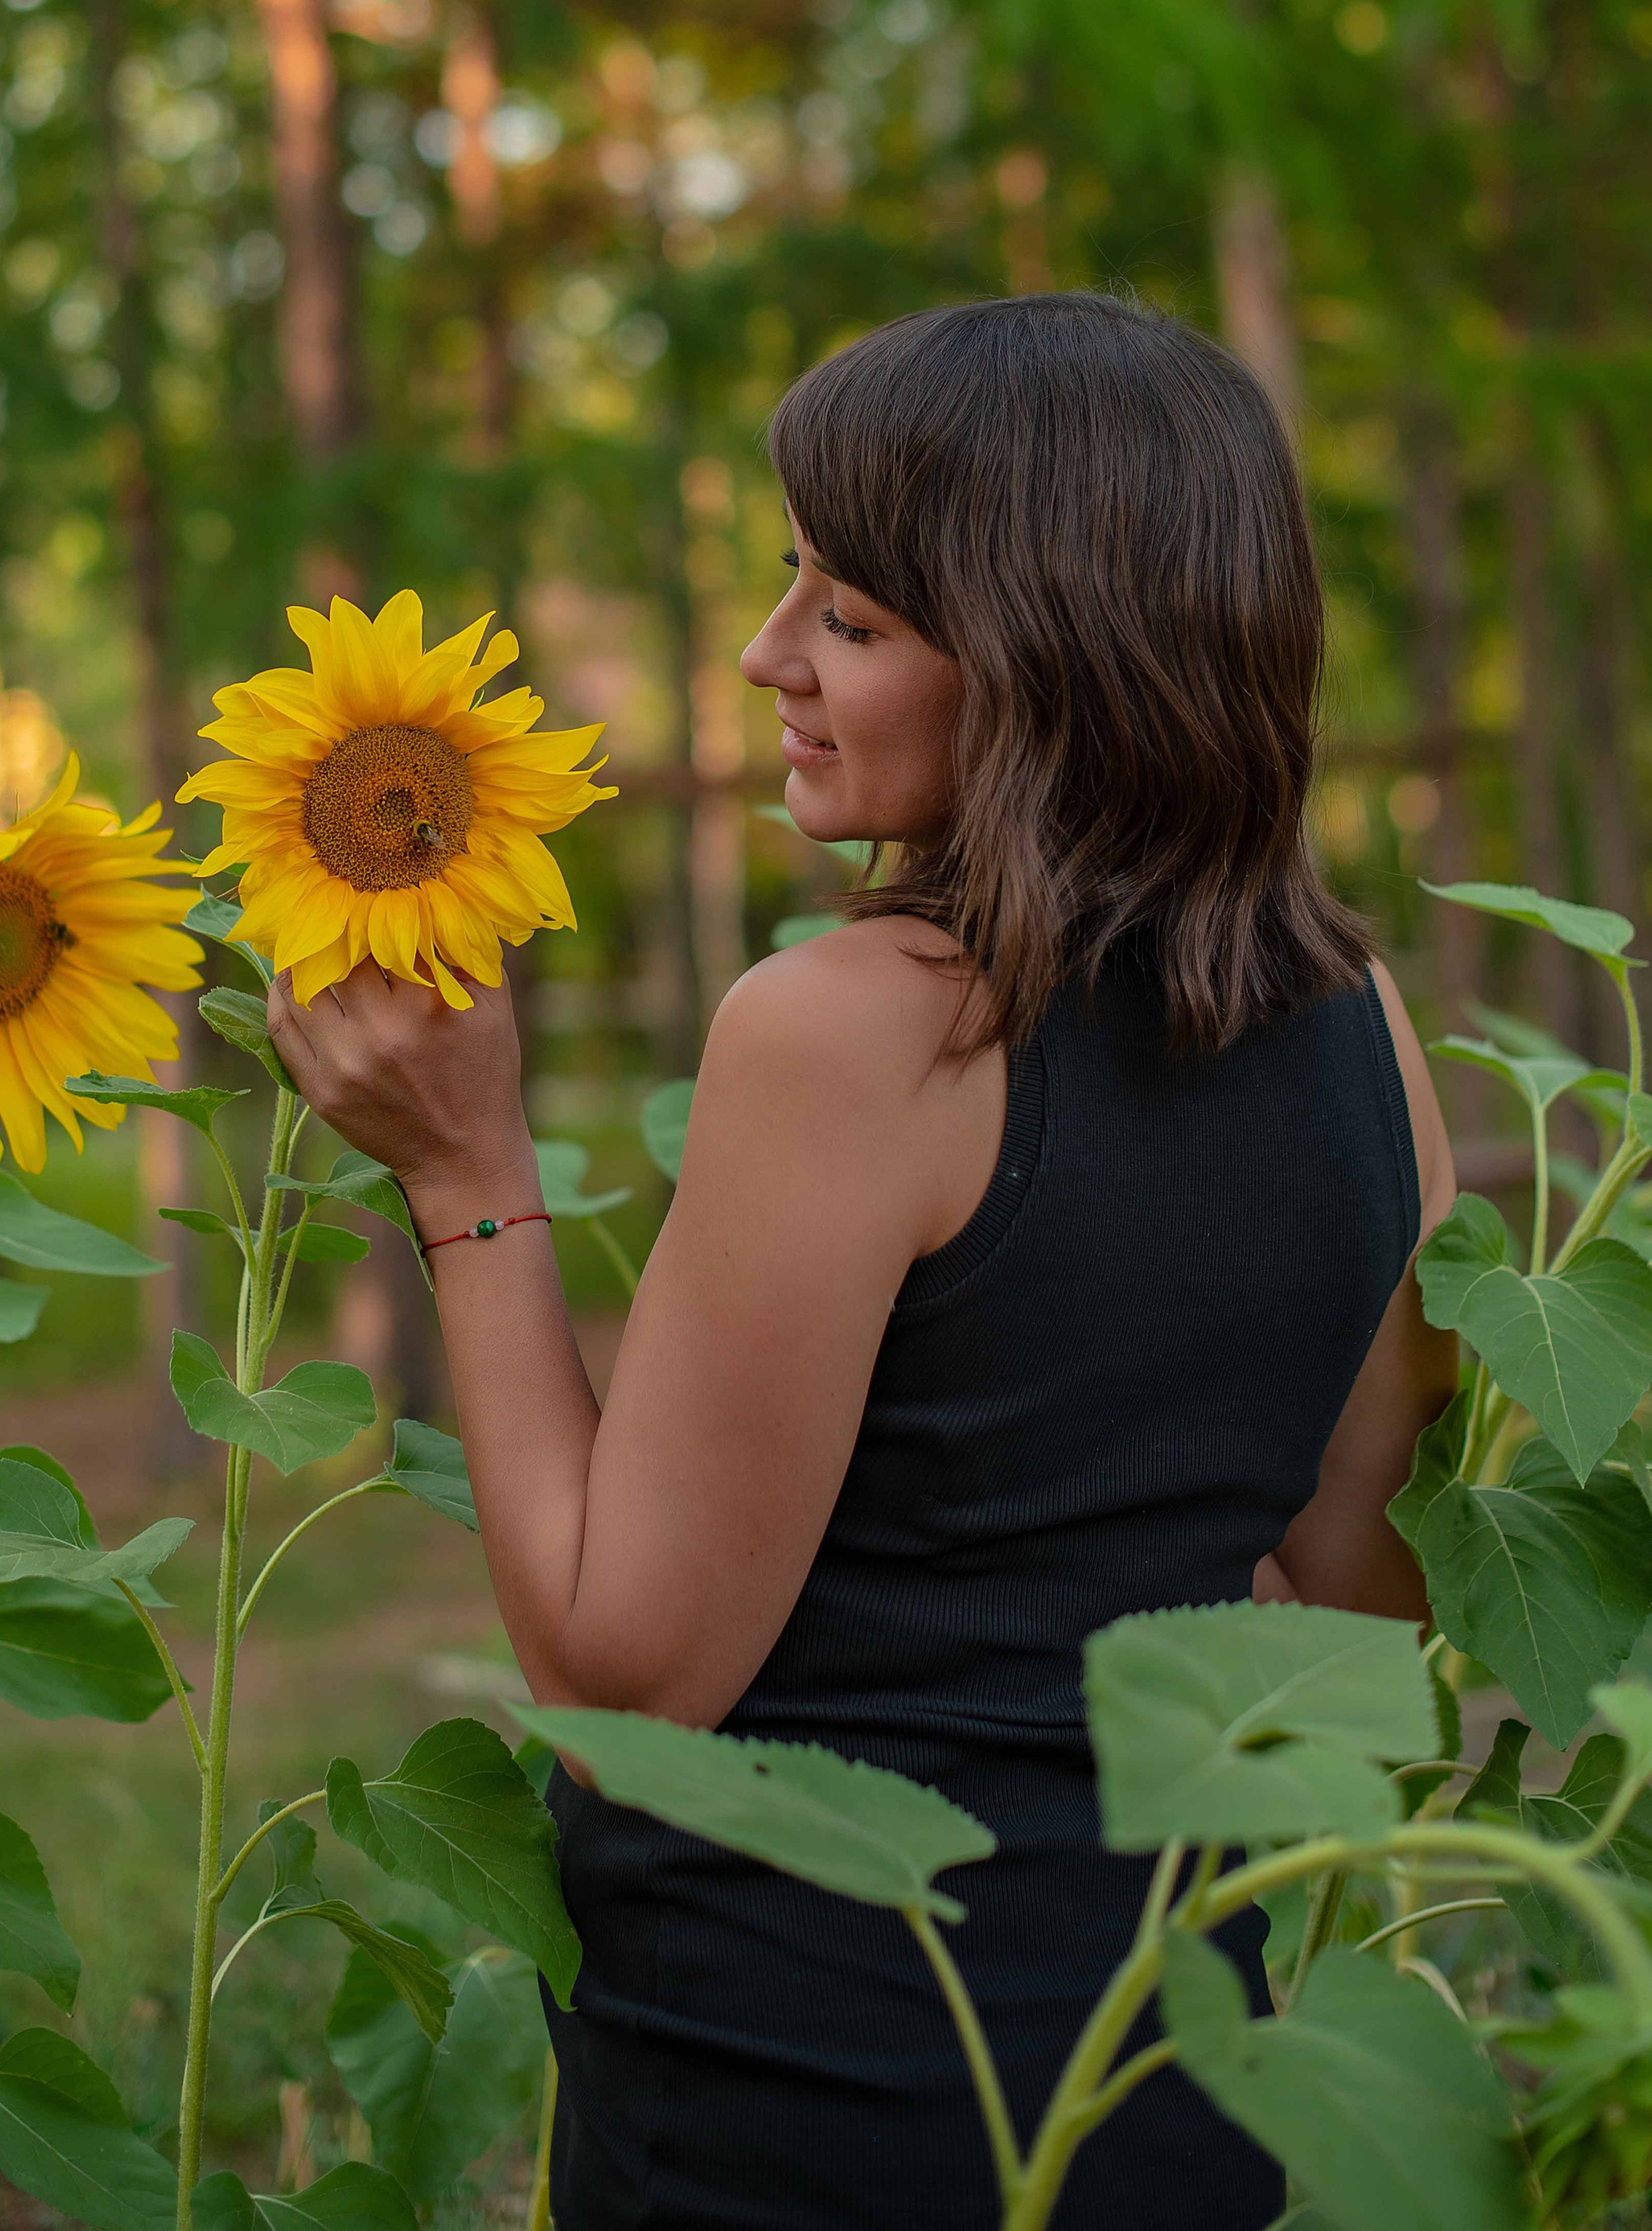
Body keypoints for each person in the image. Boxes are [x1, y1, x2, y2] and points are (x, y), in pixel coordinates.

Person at [267, 290, 1458, 2230]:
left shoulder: (845, 1031)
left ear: (1052, 657)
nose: (763, 659)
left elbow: (625, 1673)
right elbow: (1357, 1621)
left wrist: (464, 1172)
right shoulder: (1360, 1030)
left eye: (850, 618)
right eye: (790, 588)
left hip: (809, 2073)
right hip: (1158, 2070)